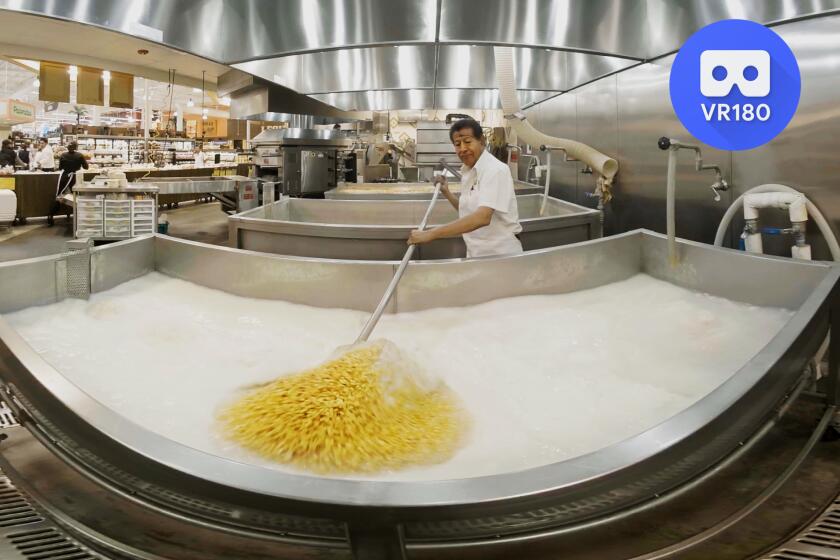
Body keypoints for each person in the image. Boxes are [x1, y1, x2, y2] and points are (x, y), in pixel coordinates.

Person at [408, 118, 523, 258]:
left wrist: (431, 234)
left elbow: (482, 217)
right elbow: (469, 211)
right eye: (457, 144)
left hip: (500, 254)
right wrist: (447, 193)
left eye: (468, 142)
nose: (462, 148)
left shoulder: (495, 170)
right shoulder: (468, 171)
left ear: (482, 141)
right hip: (476, 254)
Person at [51, 141, 89, 226]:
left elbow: (60, 167)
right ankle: (79, 216)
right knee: (76, 198)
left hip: (64, 178)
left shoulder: (63, 155)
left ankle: (52, 215)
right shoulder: (79, 155)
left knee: (59, 196)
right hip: (75, 179)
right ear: (76, 147)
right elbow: (86, 167)